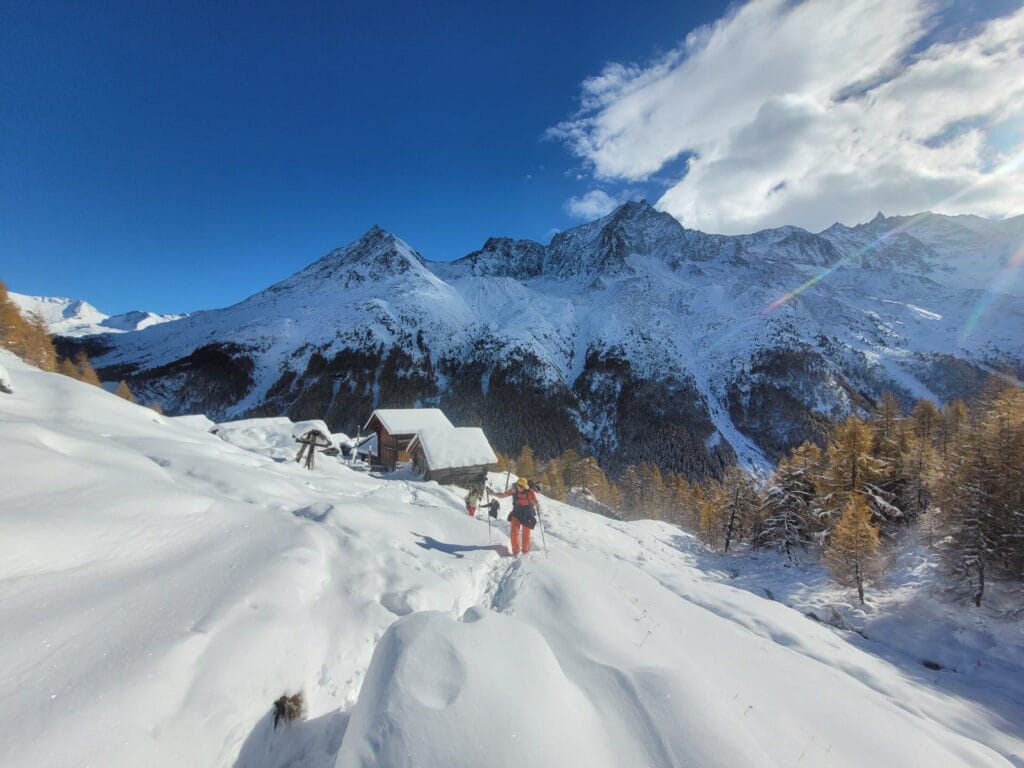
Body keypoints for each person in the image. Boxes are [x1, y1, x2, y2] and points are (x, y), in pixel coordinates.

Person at [489, 477, 538, 555]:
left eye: (521, 487)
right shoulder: (514, 490)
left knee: (526, 534)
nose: (519, 488)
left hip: (528, 513)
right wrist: (493, 493)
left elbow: (535, 501)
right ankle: (516, 551)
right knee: (513, 532)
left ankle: (525, 552)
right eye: (518, 486)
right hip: (517, 512)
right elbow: (503, 495)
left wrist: (536, 503)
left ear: (525, 486)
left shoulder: (530, 492)